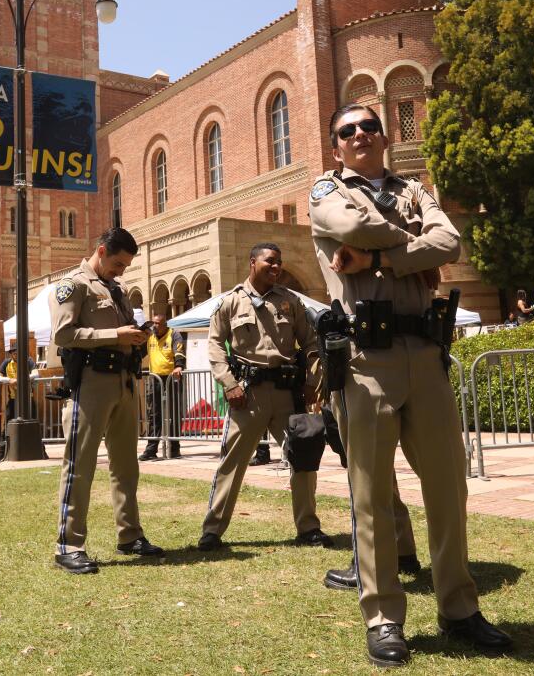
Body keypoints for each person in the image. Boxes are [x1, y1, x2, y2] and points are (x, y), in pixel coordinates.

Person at [310, 105, 512, 666]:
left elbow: (450, 242)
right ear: (336, 147)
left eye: (369, 126)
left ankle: (459, 609)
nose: (360, 134)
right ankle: (383, 618)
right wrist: (412, 249)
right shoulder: (326, 190)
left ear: (384, 136)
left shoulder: (415, 188)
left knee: (448, 485)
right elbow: (352, 229)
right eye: (348, 130)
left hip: (425, 354)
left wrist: (379, 258)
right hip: (365, 359)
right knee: (372, 494)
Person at [197, 243, 333, 551]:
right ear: (252, 262)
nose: (277, 267)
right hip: (248, 395)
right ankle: (212, 531)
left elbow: (311, 342)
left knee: (303, 458)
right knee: (232, 462)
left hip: (288, 394)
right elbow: (215, 346)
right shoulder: (230, 302)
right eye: (270, 261)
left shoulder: (291, 301)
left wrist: (314, 381)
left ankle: (308, 527)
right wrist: (229, 383)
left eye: (279, 262)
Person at [49, 228, 164, 573]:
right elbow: (63, 334)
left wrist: (138, 334)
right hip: (91, 384)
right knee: (80, 466)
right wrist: (115, 334)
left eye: (125, 266)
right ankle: (69, 545)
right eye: (118, 264)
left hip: (124, 382)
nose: (121, 271)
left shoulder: (117, 289)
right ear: (101, 251)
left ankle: (130, 535)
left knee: (126, 466)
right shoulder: (73, 285)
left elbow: (124, 329)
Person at [139, 312, 184, 461]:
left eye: (158, 324)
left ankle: (174, 449)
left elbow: (179, 352)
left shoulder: (174, 335)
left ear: (165, 324)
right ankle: (151, 450)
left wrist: (179, 366)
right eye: (153, 323)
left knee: (174, 413)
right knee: (153, 414)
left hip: (172, 378)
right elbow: (139, 352)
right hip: (155, 379)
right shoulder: (150, 336)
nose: (155, 326)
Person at [0, 340, 37, 464]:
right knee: (6, 427)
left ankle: (41, 451)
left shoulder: (28, 361)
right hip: (13, 400)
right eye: (14, 353)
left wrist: (21, 379)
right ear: (11, 354)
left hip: (28, 400)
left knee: (35, 426)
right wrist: (9, 380)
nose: (16, 355)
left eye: (18, 353)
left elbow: (36, 374)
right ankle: (0, 454)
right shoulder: (6, 363)